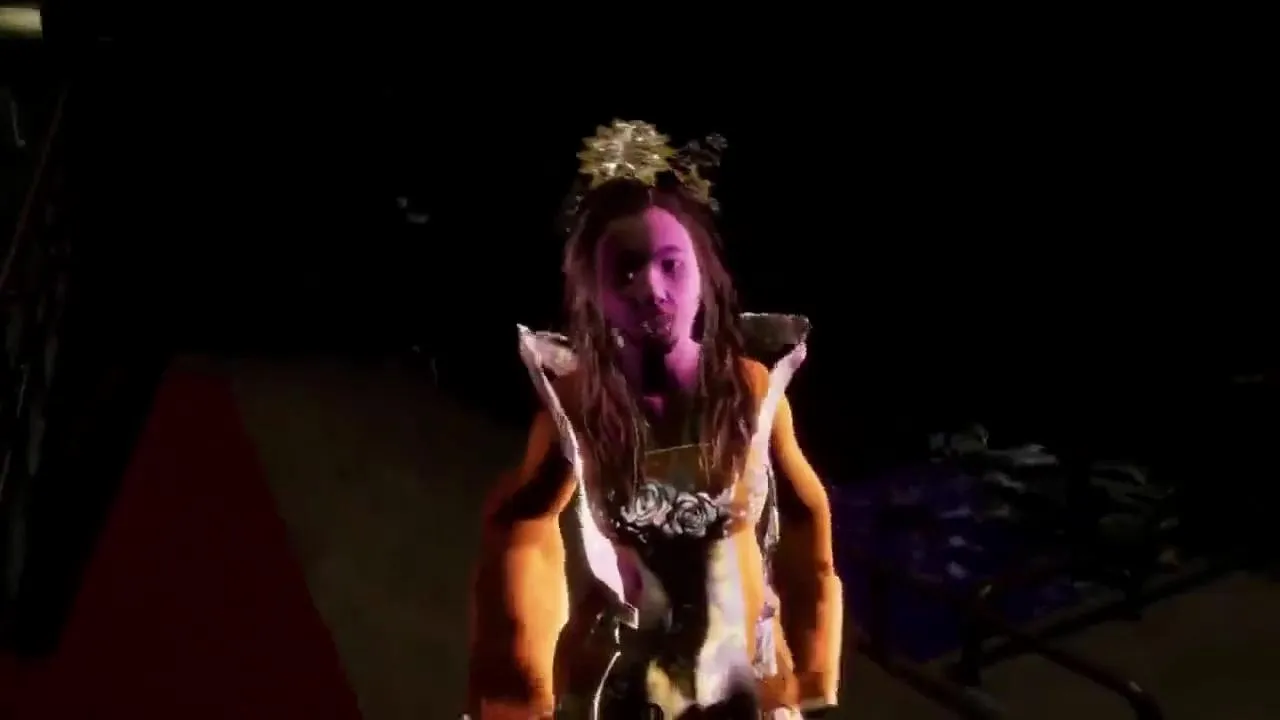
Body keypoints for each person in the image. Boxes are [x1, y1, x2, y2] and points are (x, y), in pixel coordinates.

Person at [467, 120, 841, 718]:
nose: (650, 288)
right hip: (629, 681)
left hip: (746, 678)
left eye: (671, 264)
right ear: (594, 291)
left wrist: (814, 660)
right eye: (626, 270)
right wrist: (518, 679)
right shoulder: (579, 405)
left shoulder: (749, 390)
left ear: (704, 275)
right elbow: (522, 530)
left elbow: (804, 514)